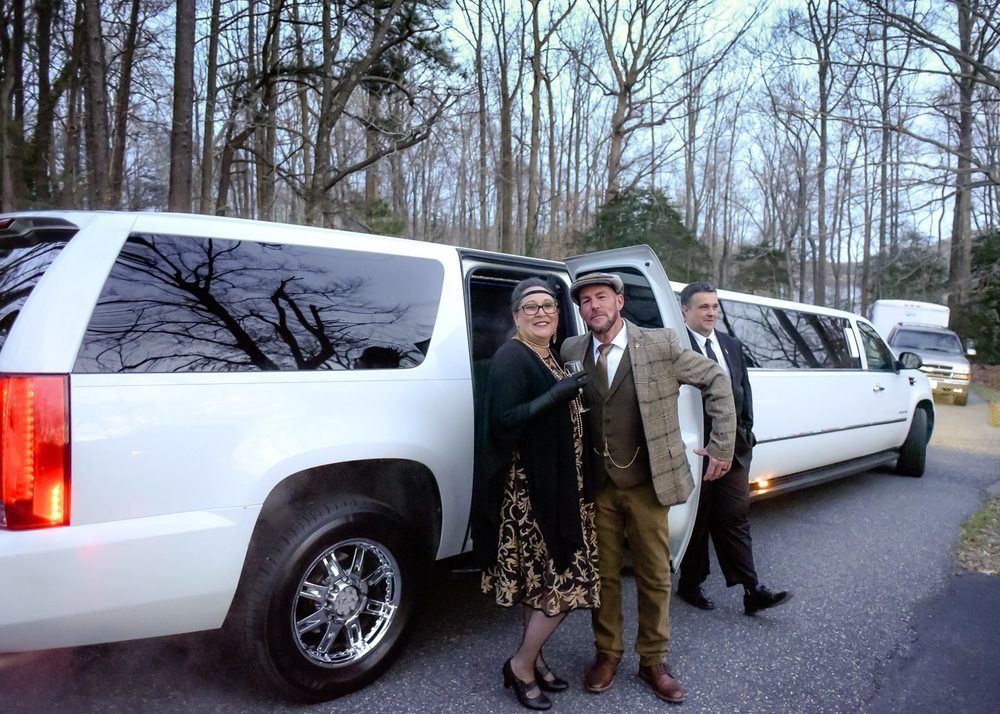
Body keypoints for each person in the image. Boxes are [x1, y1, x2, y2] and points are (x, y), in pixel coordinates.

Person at [560, 272, 736, 704]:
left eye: (602, 297)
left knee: (654, 575)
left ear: (619, 302)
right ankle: (608, 653)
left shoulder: (661, 344)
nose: (594, 306)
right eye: (586, 301)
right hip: (597, 486)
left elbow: (716, 379)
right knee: (603, 576)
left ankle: (653, 660)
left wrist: (721, 446)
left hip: (647, 483)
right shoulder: (572, 350)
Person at [473, 276, 599, 711]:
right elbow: (504, 421)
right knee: (565, 582)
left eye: (548, 305)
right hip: (533, 495)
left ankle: (536, 658)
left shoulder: (550, 354)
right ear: (516, 316)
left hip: (561, 485)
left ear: (558, 315)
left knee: (539, 585)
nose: (541, 312)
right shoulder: (512, 356)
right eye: (531, 307)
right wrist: (556, 395)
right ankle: (521, 664)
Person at [676, 282, 792, 615]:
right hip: (696, 452)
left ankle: (752, 590)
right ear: (685, 310)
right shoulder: (676, 347)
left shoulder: (730, 345)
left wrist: (745, 434)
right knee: (697, 520)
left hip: (733, 451)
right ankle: (690, 583)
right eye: (703, 307)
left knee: (735, 517)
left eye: (715, 306)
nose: (711, 313)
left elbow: (743, 392)